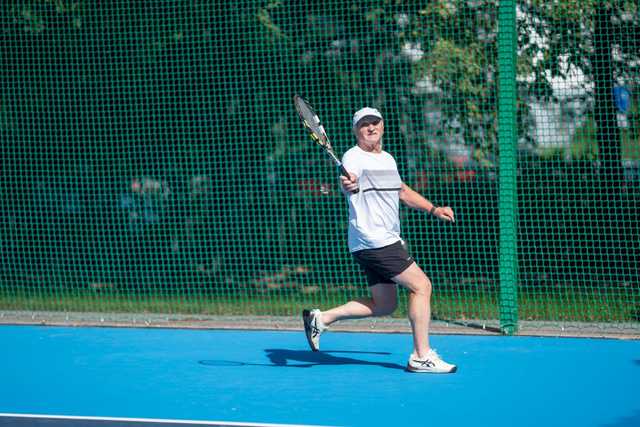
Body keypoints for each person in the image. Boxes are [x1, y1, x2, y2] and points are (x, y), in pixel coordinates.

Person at [302, 107, 457, 374]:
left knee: (385, 304)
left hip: (372, 242)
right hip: (374, 239)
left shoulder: (388, 159)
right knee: (421, 286)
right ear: (356, 131)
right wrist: (349, 184)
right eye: (364, 125)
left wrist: (433, 209)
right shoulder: (353, 157)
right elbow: (348, 181)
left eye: (375, 122)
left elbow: (402, 191)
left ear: (383, 126)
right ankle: (422, 356)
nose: (371, 127)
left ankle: (322, 318)